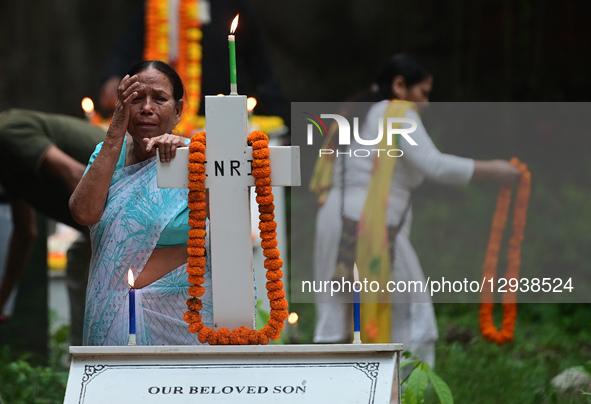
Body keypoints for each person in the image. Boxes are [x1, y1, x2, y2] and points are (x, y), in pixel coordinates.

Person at [310, 54, 521, 367]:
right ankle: (401, 392)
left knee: (338, 317)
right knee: (409, 312)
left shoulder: (354, 112)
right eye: (423, 92)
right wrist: (496, 170)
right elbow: (433, 164)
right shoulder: (396, 111)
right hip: (373, 225)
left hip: (333, 219)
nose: (426, 102)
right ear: (399, 85)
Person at [70, 60, 213, 346]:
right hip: (116, 315)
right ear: (122, 105)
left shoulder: (196, 158)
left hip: (186, 317)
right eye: (136, 99)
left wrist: (191, 158)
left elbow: (225, 225)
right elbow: (84, 212)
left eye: (159, 98)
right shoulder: (108, 153)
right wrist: (115, 131)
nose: (147, 107)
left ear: (178, 111)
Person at [0, 109, 106, 336]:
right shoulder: (7, 165)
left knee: (90, 274)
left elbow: (78, 177)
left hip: (124, 200)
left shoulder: (7, 132)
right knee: (81, 262)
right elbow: (25, 233)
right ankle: (86, 359)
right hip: (103, 214)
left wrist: (104, 268)